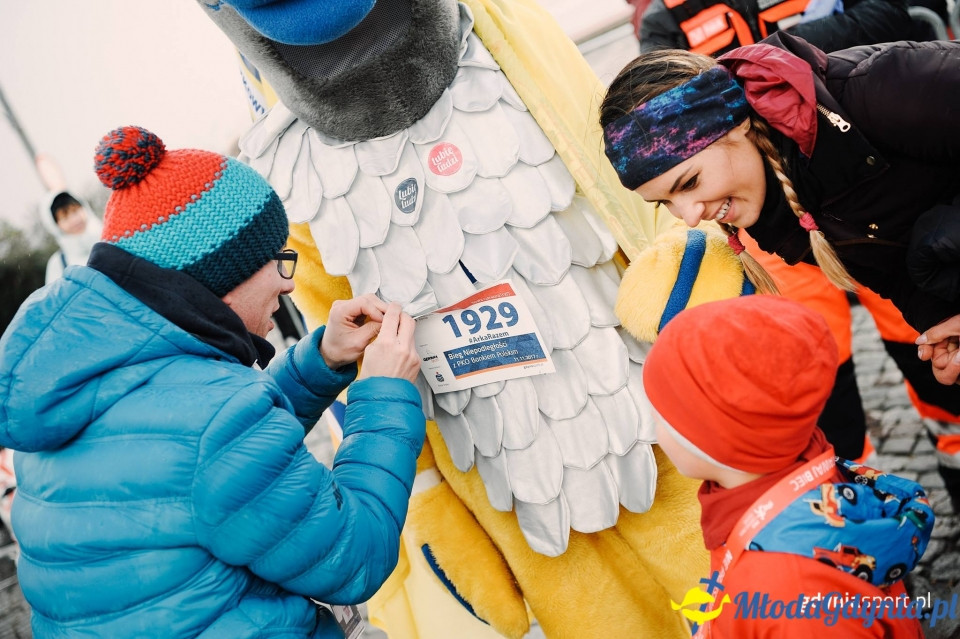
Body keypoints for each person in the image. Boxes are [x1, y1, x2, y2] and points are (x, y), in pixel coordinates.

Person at [0, 125, 425, 638]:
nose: (289, 282)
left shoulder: (68, 390)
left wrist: (321, 361)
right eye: (278, 259)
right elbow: (353, 555)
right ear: (221, 276)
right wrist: (383, 396)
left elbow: (213, 454)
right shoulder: (212, 427)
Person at [600, 34, 960, 506]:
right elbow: (887, 264)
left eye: (689, 182)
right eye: (665, 201)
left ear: (736, 125)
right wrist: (939, 317)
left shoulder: (880, 88)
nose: (688, 215)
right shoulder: (774, 210)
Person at [642, 294, 934, 638]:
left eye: (661, 416)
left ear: (712, 438)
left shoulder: (795, 594)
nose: (653, 429)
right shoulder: (803, 468)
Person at [39, 189, 103, 285]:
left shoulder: (110, 241)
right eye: (65, 217)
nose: (74, 220)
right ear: (56, 225)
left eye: (75, 211)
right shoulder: (58, 263)